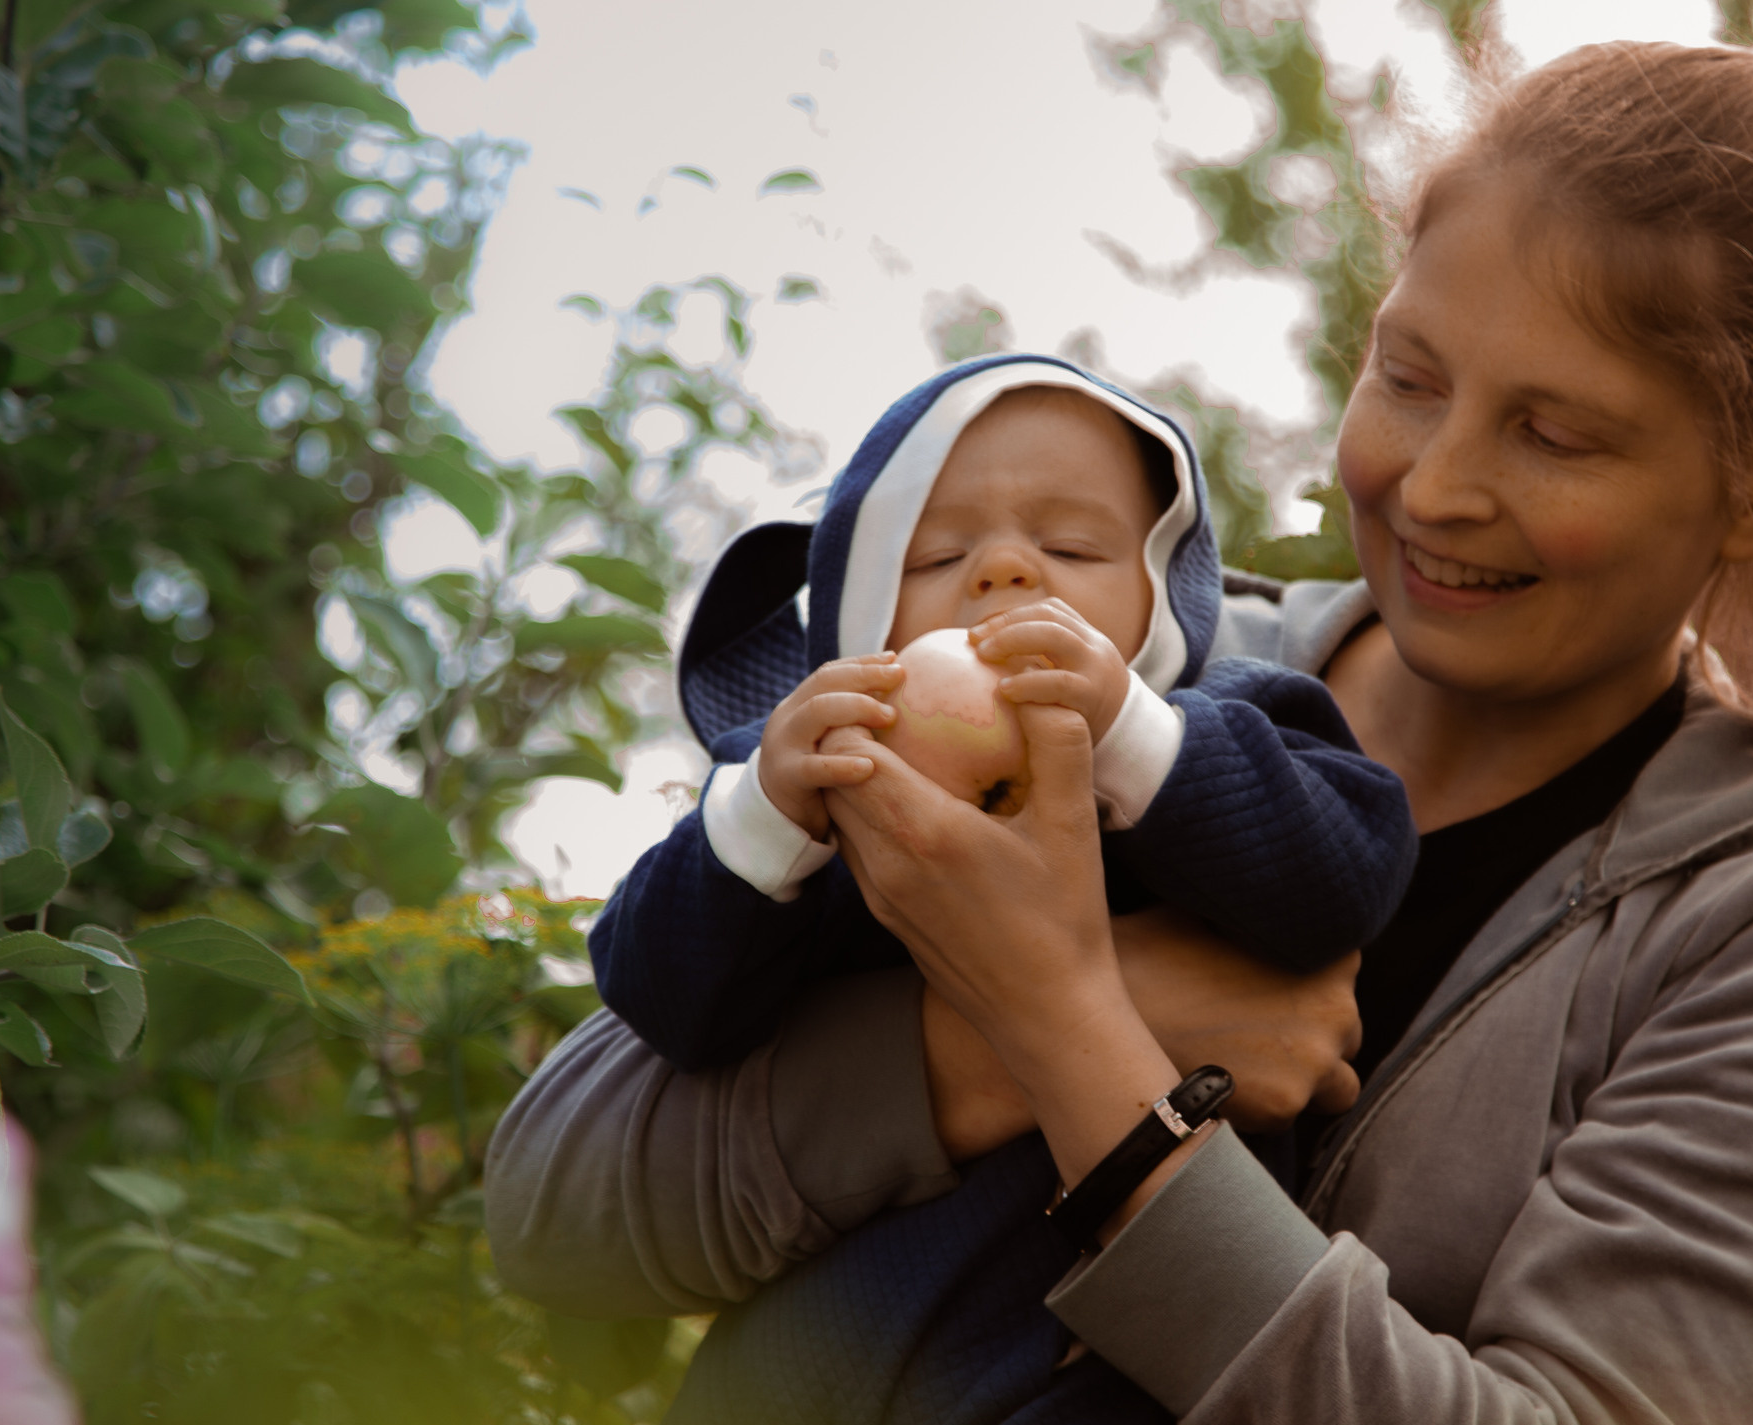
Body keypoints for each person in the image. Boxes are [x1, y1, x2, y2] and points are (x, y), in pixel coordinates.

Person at [489, 39, 1753, 1425]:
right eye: (1409, 375)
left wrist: (1085, 1046)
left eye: (1557, 433)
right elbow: (557, 1201)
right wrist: (1008, 1033)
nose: (1438, 484)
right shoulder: (1143, 680)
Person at [587, 355, 1416, 1076]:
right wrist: (763, 821)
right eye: (938, 557)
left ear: (1162, 600)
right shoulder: (817, 785)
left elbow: (1356, 878)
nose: (1006, 568)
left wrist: (1135, 739)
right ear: (857, 623)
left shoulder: (1229, 722)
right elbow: (659, 1002)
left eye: (1072, 548)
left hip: (1183, 1207)